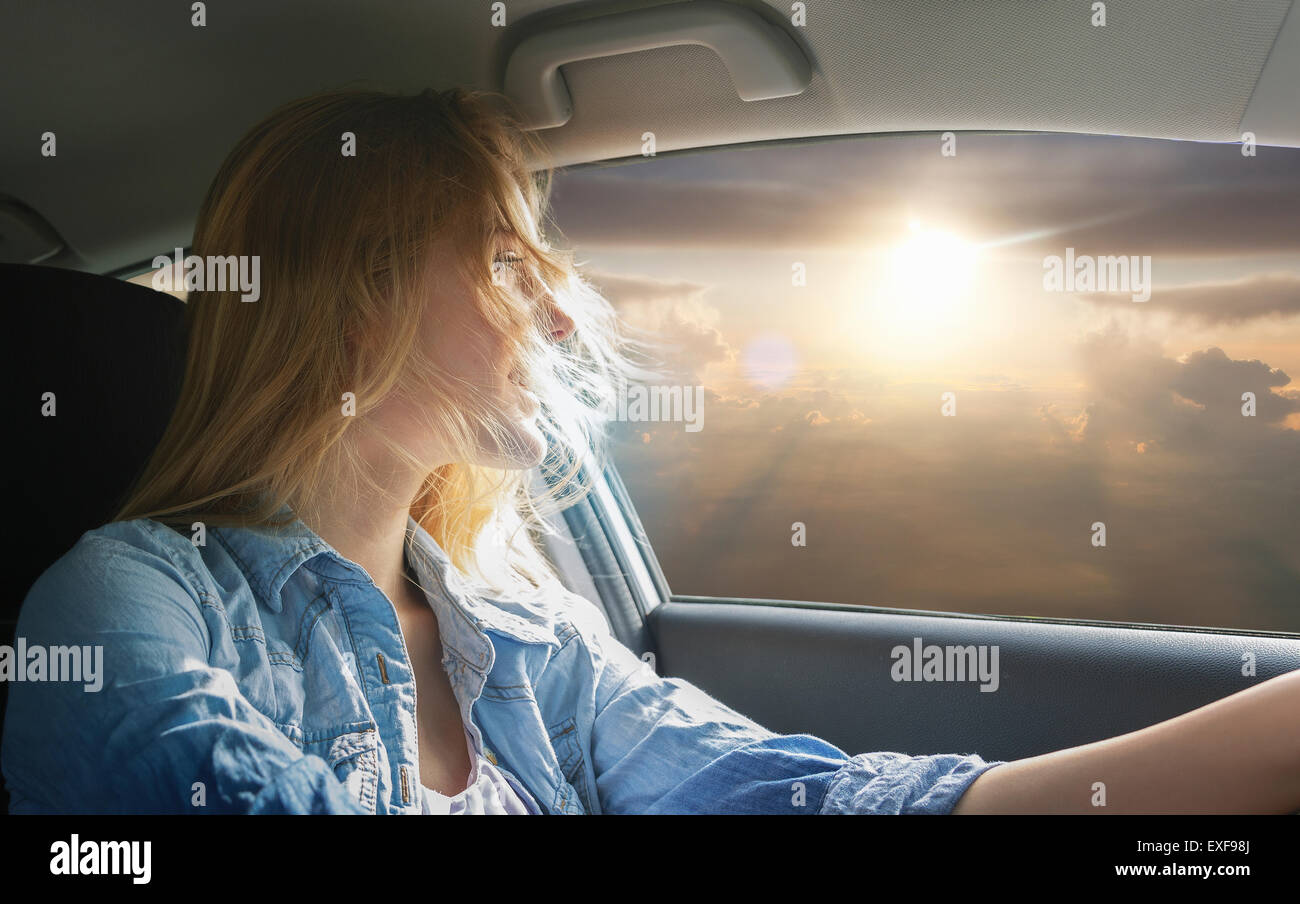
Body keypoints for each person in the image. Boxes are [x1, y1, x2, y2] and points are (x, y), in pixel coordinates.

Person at [3, 88, 1296, 814]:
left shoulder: (523, 643)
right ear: (361, 293)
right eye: (510, 264)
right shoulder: (123, 598)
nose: (563, 314)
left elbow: (802, 804)